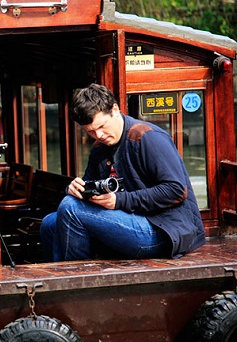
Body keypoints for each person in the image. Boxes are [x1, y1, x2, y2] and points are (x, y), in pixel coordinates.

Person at [40, 83, 205, 262]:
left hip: (164, 229)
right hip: (130, 220)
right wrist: (76, 189)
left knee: (70, 208)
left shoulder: (148, 137)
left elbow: (176, 190)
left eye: (102, 126)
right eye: (91, 132)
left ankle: (76, 274)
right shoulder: (99, 148)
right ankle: (68, 270)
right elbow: (89, 188)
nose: (99, 135)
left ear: (115, 109)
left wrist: (119, 201)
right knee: (50, 223)